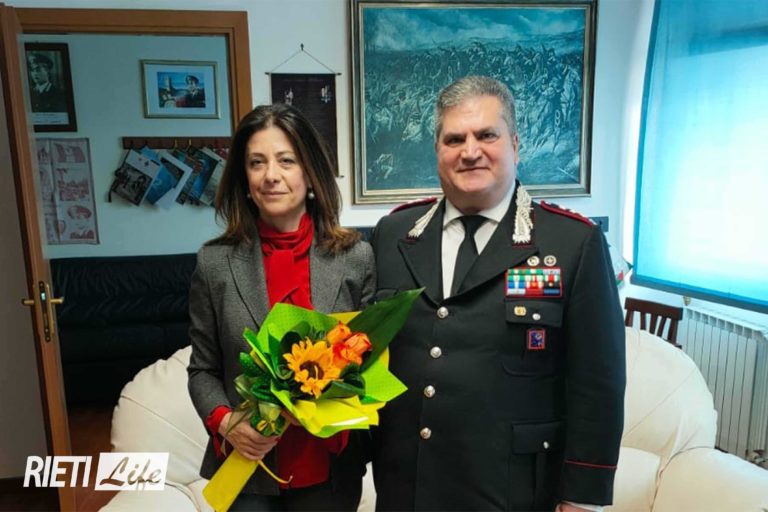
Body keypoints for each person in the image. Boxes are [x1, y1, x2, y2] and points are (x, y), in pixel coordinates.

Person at [370, 76, 625, 511]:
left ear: (515, 145)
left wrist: (582, 498)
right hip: (406, 487)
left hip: (513, 490)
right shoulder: (394, 235)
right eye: (454, 139)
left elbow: (598, 383)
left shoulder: (571, 243)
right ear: (437, 150)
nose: (470, 151)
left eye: (486, 135)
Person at [188, 103, 375, 511]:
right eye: (256, 163)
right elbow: (202, 369)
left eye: (286, 161)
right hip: (247, 467)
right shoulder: (214, 263)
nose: (271, 175)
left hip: (330, 466)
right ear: (245, 179)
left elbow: (368, 359)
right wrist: (226, 422)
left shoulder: (355, 257)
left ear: (309, 173)